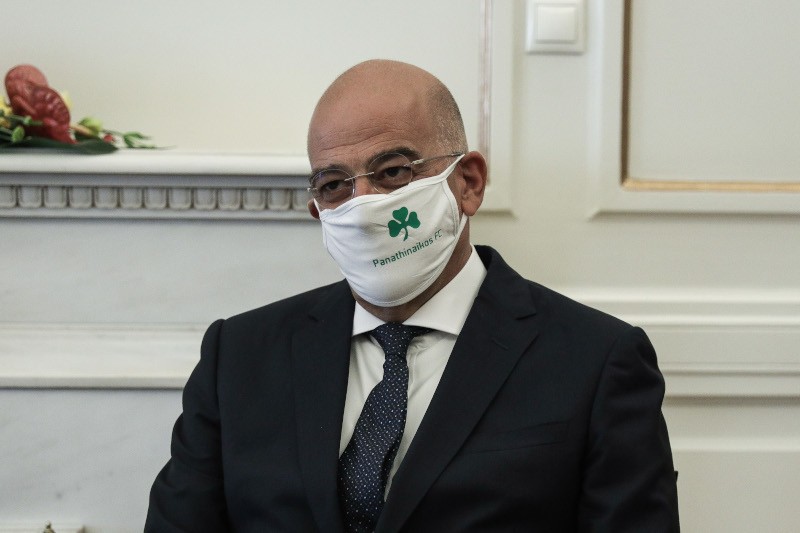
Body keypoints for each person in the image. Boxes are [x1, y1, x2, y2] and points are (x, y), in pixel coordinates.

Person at [145, 59, 679, 532]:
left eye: (392, 172)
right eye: (334, 184)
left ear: (468, 182)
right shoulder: (239, 356)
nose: (363, 206)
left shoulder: (596, 361)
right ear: (317, 211)